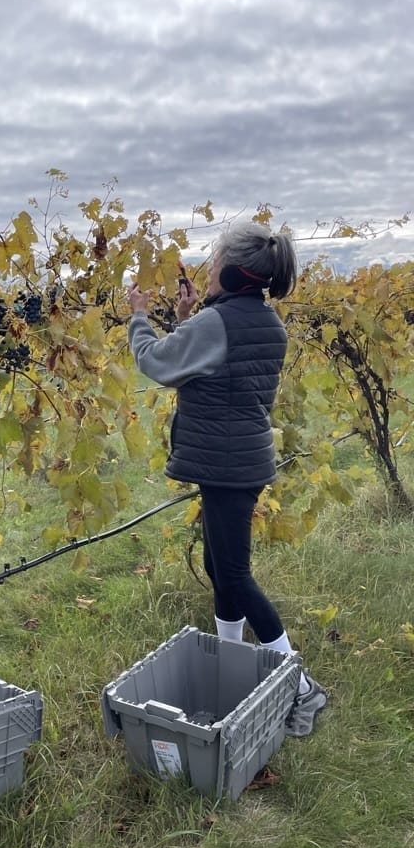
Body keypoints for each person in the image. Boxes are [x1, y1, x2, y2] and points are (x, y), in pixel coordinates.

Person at [127, 222, 327, 738]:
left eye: (214, 261)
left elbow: (158, 362)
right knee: (219, 567)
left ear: (234, 272)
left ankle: (303, 686)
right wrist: (187, 317)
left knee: (235, 574)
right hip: (244, 461)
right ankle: (232, 660)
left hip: (227, 465)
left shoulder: (219, 325)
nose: (207, 269)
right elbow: (219, 361)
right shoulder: (265, 321)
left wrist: (139, 317)